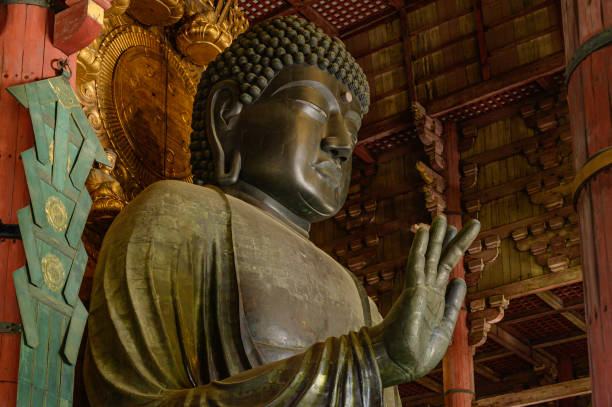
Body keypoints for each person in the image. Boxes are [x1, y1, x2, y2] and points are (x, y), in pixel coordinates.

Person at [84, 16, 480, 406]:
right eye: (315, 107)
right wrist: (371, 360)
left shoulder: (360, 300)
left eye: (353, 129)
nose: (342, 143)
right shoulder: (177, 215)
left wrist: (378, 360)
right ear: (227, 114)